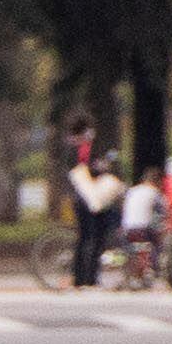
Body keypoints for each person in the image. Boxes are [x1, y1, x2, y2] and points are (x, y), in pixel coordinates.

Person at [61, 113, 123, 289]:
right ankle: (85, 278)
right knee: (91, 238)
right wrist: (99, 169)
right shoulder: (79, 149)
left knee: (90, 238)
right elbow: (87, 171)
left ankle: (85, 277)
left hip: (88, 197)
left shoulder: (78, 147)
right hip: (88, 198)